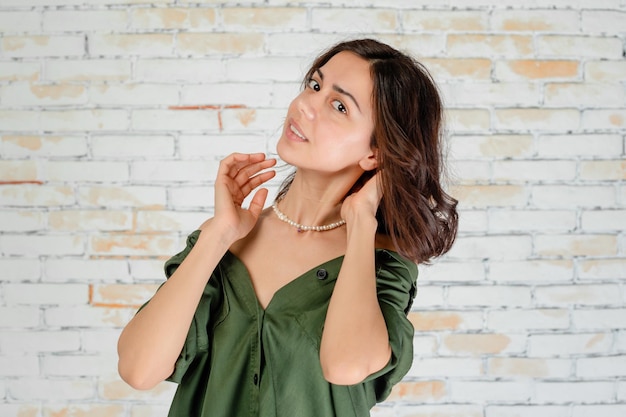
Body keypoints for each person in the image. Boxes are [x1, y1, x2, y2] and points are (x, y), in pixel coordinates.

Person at [117, 38, 458, 417]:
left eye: (339, 105)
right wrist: (217, 236)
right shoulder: (223, 243)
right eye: (315, 85)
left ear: (374, 152)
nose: (305, 105)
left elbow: (346, 367)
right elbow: (138, 369)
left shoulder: (380, 263)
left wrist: (361, 222)